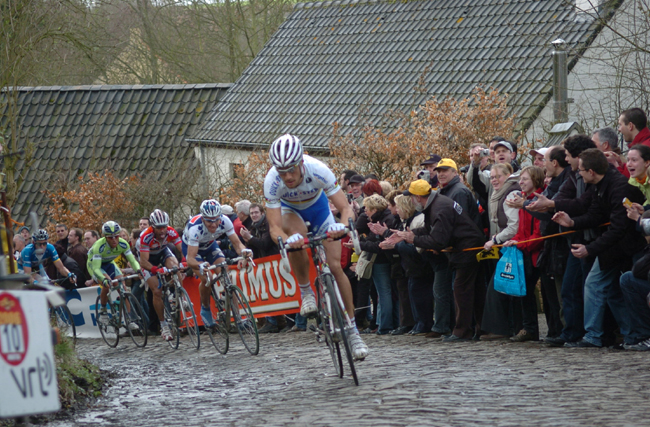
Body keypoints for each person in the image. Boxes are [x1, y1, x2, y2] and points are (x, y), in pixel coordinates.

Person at [264, 133, 368, 359]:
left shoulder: (318, 169)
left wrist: (341, 227)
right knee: (297, 236)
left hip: (319, 210)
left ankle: (352, 330)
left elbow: (346, 208)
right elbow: (274, 227)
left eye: (291, 169)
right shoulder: (272, 181)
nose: (288, 176)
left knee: (335, 267)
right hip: (289, 212)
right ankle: (305, 291)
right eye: (282, 172)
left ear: (301, 162)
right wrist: (286, 239)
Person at [553, 148, 646, 348]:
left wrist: (590, 249)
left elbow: (618, 228)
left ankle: (595, 336)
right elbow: (595, 214)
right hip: (614, 246)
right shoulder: (598, 185)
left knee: (596, 284)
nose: (579, 174)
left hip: (625, 247)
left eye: (582, 171)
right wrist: (572, 223)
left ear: (592, 172)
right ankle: (629, 336)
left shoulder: (617, 187)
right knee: (613, 292)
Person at [388, 179, 486, 341]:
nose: (411, 201)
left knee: (462, 291)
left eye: (412, 197)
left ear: (419, 197)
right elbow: (428, 229)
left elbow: (437, 240)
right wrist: (406, 235)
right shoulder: (435, 204)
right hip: (464, 248)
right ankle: (478, 329)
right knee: (471, 291)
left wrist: (413, 239)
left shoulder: (439, 208)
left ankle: (462, 331)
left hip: (467, 250)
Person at [182, 199, 252, 331]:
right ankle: (205, 308)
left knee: (227, 277)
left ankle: (237, 318)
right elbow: (190, 259)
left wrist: (244, 253)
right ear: (203, 218)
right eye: (209, 221)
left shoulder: (225, 221)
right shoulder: (195, 228)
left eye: (216, 220)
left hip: (210, 245)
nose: (213, 224)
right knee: (207, 277)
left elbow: (237, 244)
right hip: (193, 249)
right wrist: (200, 266)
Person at [502, 166, 546, 342]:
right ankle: (529, 328)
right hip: (526, 251)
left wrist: (520, 243)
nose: (521, 182)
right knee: (524, 291)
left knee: (542, 293)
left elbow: (539, 233)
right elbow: (521, 229)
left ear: (535, 180)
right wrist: (515, 240)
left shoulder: (538, 200)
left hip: (537, 253)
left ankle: (538, 329)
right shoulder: (523, 201)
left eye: (525, 179)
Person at [480, 163, 521, 341]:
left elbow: (513, 226)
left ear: (508, 175)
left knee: (499, 286)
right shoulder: (498, 194)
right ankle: (505, 327)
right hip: (506, 245)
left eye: (498, 176)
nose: (495, 180)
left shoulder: (511, 193)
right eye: (492, 177)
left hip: (512, 245)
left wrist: (495, 239)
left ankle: (503, 328)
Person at [355, 194, 399, 335]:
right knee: (385, 293)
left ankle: (385, 325)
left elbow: (378, 245)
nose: (365, 211)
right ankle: (383, 323)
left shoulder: (383, 220)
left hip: (381, 261)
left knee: (383, 293)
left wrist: (360, 244)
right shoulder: (383, 218)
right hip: (384, 260)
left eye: (367, 208)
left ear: (374, 209)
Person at [139, 209, 184, 341]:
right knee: (157, 291)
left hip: (163, 252)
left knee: (175, 268)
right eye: (159, 228)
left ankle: (181, 297)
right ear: (153, 227)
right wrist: (155, 270)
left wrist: (185, 260)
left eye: (164, 226)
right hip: (148, 261)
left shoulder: (170, 231)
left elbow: (183, 249)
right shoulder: (145, 236)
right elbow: (143, 261)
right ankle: (163, 325)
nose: (162, 230)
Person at [241, 203, 284, 333]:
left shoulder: (269, 224)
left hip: (274, 261)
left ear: (262, 213)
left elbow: (265, 244)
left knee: (278, 292)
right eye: (252, 213)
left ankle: (279, 322)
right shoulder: (253, 227)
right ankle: (273, 322)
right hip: (262, 263)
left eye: (256, 213)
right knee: (267, 292)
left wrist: (250, 238)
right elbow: (253, 248)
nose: (254, 215)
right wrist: (247, 244)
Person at [89, 221, 141, 328]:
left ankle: (129, 319)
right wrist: (103, 279)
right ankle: (103, 311)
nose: (114, 240)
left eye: (116, 236)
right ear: (105, 237)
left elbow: (132, 261)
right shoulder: (99, 246)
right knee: (107, 283)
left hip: (109, 263)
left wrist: (139, 270)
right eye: (110, 237)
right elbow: (97, 268)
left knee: (123, 288)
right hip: (94, 265)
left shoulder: (123, 244)